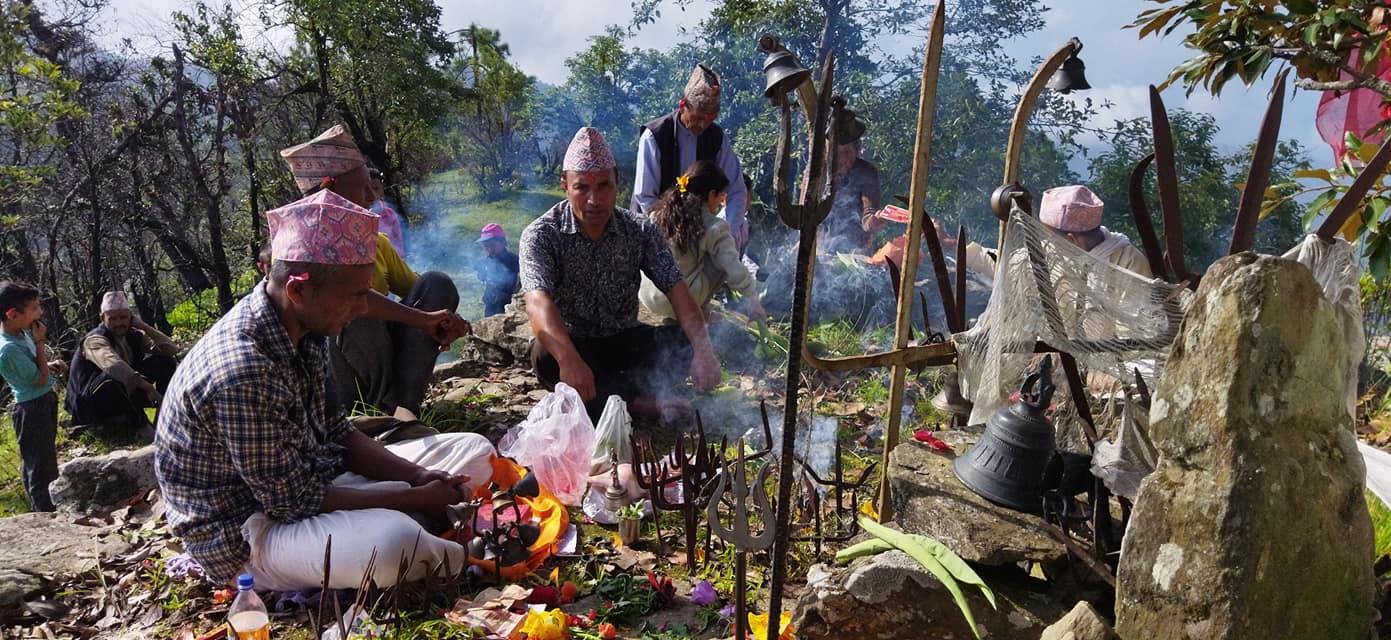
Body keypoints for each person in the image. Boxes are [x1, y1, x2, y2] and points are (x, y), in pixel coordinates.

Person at [153, 189, 496, 592]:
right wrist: (415, 499)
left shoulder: (304, 326)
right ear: (298, 289)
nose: (364, 308)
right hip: (250, 532)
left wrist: (417, 476)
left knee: (476, 451)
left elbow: (337, 431)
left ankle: (416, 526)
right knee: (392, 545)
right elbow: (292, 501)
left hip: (316, 478)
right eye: (356, 295)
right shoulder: (241, 370)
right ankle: (448, 546)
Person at [522, 127, 720, 422]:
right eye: (582, 188)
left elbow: (677, 289)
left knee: (688, 340)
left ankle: (615, 395)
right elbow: (538, 302)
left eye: (604, 186)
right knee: (545, 356)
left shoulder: (640, 229)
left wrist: (703, 352)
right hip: (575, 344)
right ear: (565, 185)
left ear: (618, 182)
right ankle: (638, 402)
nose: (594, 200)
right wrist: (569, 359)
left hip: (625, 339)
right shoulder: (541, 235)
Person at [280, 124, 468, 417]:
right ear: (329, 188)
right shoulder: (299, 247)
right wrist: (422, 320)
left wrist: (445, 320)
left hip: (378, 355)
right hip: (333, 373)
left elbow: (420, 291)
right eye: (363, 187)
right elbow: (349, 299)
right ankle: (379, 414)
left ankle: (403, 411)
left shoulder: (377, 241)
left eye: (372, 187)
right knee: (351, 308)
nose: (371, 197)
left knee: (437, 284)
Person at [632, 64, 749, 252]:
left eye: (709, 120)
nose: (702, 125)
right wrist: (675, 236)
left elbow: (737, 191)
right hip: (653, 235)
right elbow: (646, 198)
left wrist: (723, 233)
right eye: (698, 118)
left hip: (697, 243)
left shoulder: (717, 139)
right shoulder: (655, 136)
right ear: (683, 106)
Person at [639, 160, 766, 322]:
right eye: (721, 195)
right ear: (711, 194)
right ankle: (698, 313)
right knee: (723, 259)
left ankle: (698, 310)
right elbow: (732, 266)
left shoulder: (658, 213)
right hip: (678, 302)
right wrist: (753, 299)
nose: (721, 201)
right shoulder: (715, 226)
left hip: (648, 295)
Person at [952, 185, 1152, 282]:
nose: (1045, 241)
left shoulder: (1128, 263)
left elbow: (1139, 335)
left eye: (1049, 235)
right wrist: (952, 246)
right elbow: (1007, 265)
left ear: (1071, 239)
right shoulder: (1052, 255)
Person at [64, 291, 179, 432]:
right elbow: (113, 365)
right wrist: (147, 387)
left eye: (123, 317)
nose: (118, 323)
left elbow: (172, 350)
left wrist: (144, 327)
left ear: (131, 317)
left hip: (124, 392)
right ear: (102, 318)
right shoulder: (94, 340)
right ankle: (142, 427)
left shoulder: (134, 335)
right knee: (114, 377)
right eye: (112, 319)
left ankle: (163, 414)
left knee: (165, 361)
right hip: (90, 404)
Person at [0, 281, 64, 512]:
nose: (40, 313)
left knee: (43, 458)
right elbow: (39, 379)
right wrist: (39, 342)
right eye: (34, 308)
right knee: (40, 467)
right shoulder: (8, 348)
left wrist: (49, 364)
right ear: (13, 314)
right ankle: (45, 513)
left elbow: (34, 368)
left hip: (43, 401)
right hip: (32, 408)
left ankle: (47, 509)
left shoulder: (21, 333)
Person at [822, 136, 884, 255]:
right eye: (835, 153)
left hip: (856, 250)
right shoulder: (817, 172)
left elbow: (868, 214)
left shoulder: (866, 172)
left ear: (857, 151)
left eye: (847, 152)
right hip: (821, 247)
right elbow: (809, 215)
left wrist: (872, 221)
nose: (842, 159)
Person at [474, 223, 520, 317]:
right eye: (486, 246)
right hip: (490, 303)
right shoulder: (484, 261)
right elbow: (482, 277)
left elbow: (521, 283)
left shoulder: (514, 261)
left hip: (510, 305)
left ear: (503, 243)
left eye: (492, 245)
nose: (489, 249)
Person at [369, 167, 408, 256]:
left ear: (382, 189)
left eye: (376, 188)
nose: (372, 194)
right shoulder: (358, 214)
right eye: (368, 189)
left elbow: (398, 244)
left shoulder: (390, 215)